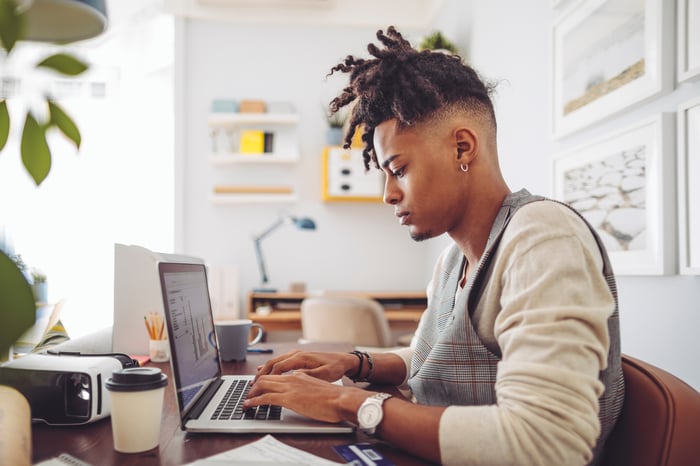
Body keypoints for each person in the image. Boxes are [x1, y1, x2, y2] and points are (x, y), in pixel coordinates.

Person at [244, 26, 624, 466]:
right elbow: (428, 357)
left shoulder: (543, 236)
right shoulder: (452, 260)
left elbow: (547, 443)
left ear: (462, 147)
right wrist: (352, 363)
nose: (387, 194)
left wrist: (347, 404)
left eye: (398, 169)